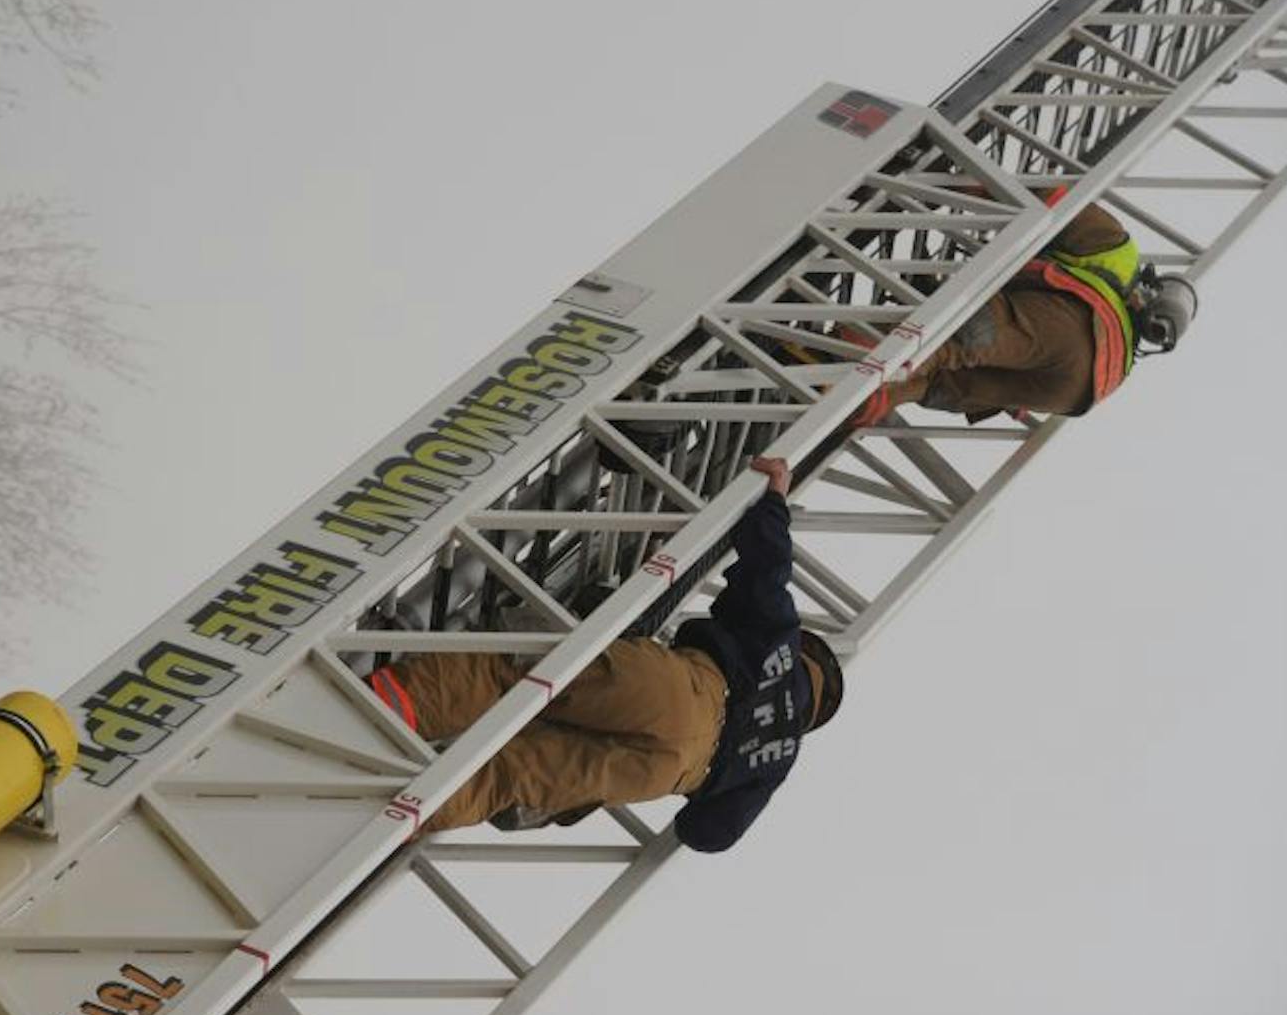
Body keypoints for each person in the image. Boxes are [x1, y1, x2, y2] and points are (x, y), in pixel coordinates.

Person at [370, 457, 844, 851]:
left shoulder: (781, 643)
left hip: (681, 692)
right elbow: (708, 834)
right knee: (508, 777)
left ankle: (378, 712)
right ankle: (371, 815)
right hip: (667, 772)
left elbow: (767, 572)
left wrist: (774, 499)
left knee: (517, 675)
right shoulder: (778, 761)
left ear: (808, 656)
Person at [852, 195, 1195, 426]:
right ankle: (877, 399)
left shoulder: (1118, 251)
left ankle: (883, 363)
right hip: (1075, 392)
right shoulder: (1128, 355)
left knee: (974, 334)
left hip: (1080, 331)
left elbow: (1051, 199)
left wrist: (971, 185)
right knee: (954, 384)